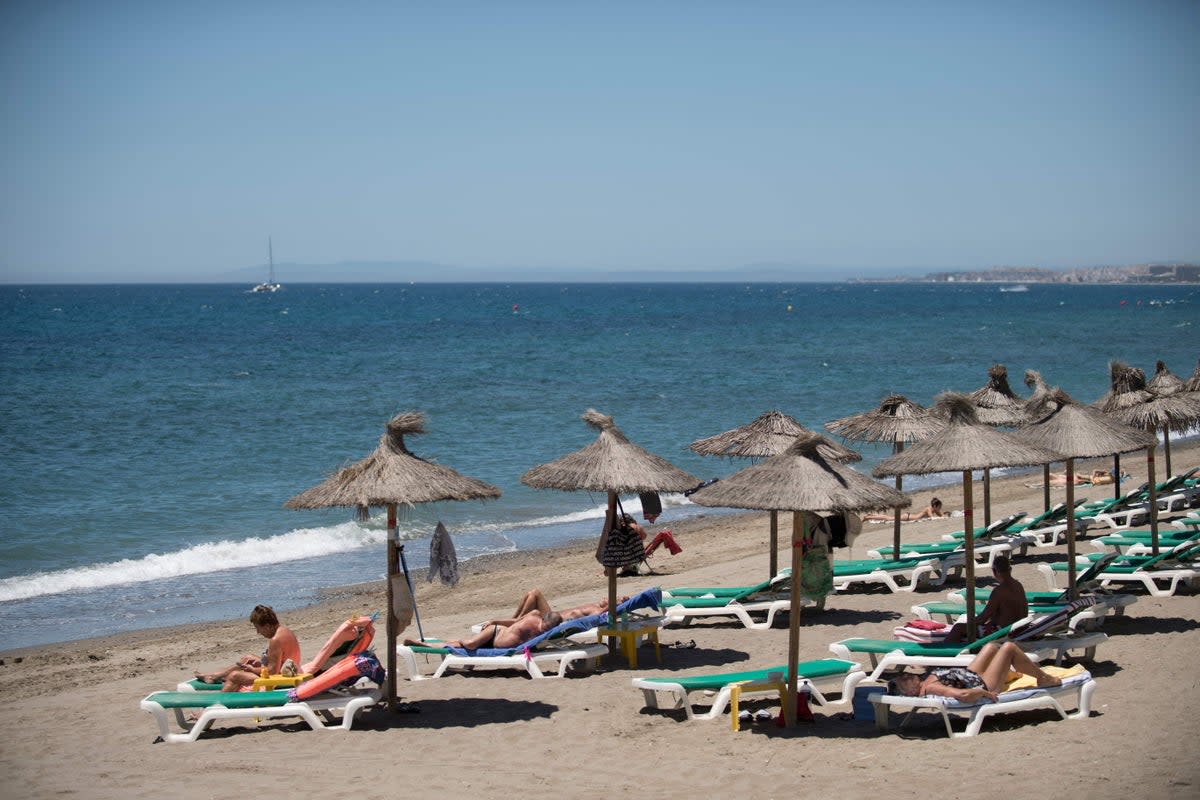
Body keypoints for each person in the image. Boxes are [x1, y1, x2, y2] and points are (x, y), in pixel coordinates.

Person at [888, 641, 1061, 702]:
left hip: (970, 675)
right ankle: (1043, 677)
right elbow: (962, 695)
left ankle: (1016, 671)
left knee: (991, 647)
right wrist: (983, 693)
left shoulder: (925, 681)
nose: (906, 674)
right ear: (909, 692)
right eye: (903, 679)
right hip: (983, 683)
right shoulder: (931, 688)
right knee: (1008, 648)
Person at [194, 605, 302, 691]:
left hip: (281, 680)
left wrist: (253, 670)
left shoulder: (275, 640)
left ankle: (211, 708)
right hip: (290, 672)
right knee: (248, 658)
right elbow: (278, 662)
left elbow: (272, 672)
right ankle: (213, 676)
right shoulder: (286, 631)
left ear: (267, 626)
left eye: (258, 628)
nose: (258, 632)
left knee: (234, 676)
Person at [945, 555, 1028, 642]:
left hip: (1003, 632)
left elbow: (983, 619)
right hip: (1019, 629)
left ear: (994, 572)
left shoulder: (999, 591)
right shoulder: (1018, 585)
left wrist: (968, 624)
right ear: (1010, 569)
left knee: (958, 628)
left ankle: (945, 651)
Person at [405, 609, 563, 651]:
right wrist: (494, 621)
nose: (544, 629)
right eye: (545, 626)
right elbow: (514, 621)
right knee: (469, 645)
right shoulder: (534, 615)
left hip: (498, 642)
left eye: (548, 629)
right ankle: (429, 645)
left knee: (462, 645)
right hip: (496, 632)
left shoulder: (546, 634)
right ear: (543, 619)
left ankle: (443, 643)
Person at [862, 497, 948, 523]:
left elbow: (942, 516)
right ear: (935, 506)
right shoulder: (929, 509)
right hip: (908, 517)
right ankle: (868, 517)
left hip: (909, 516)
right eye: (939, 506)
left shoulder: (935, 510)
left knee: (889, 517)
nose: (940, 508)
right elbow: (932, 518)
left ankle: (872, 515)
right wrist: (942, 517)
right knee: (888, 518)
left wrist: (944, 515)